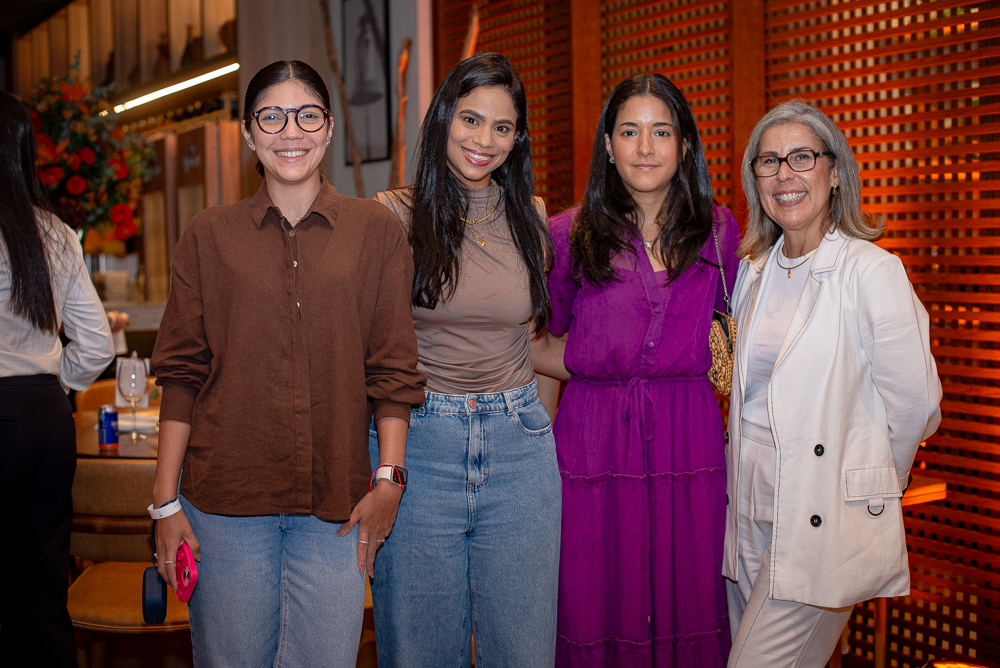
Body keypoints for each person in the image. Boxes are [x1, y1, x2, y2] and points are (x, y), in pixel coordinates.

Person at [150, 60, 425, 666]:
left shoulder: (374, 231)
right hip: (224, 504)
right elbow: (181, 373)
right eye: (271, 117)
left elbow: (393, 370)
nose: (290, 131)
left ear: (328, 129)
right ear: (250, 133)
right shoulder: (209, 234)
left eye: (307, 115)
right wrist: (165, 503)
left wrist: (390, 479)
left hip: (337, 505)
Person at [723, 100, 942, 667]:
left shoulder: (871, 270)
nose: (784, 175)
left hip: (819, 517)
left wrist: (867, 491)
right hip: (747, 514)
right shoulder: (753, 271)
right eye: (768, 162)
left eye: (802, 157)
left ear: (835, 171)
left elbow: (915, 404)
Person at [540, 73, 738, 667]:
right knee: (592, 592)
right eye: (629, 131)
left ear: (683, 145)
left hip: (689, 434)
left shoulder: (721, 230)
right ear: (607, 145)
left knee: (691, 593)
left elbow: (734, 337)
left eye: (661, 132)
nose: (646, 148)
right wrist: (541, 455)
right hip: (592, 438)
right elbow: (540, 346)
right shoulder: (567, 235)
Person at [370, 52, 560, 667]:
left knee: (523, 650)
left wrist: (537, 426)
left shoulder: (532, 217)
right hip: (422, 445)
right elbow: (372, 351)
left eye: (502, 127)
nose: (485, 141)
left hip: (519, 448)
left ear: (517, 137)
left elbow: (534, 341)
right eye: (471, 120)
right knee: (421, 650)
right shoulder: (391, 215)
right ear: (443, 119)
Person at [0, 90, 115, 668]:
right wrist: (54, 385)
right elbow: (96, 346)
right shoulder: (55, 232)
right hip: (46, 417)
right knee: (43, 590)